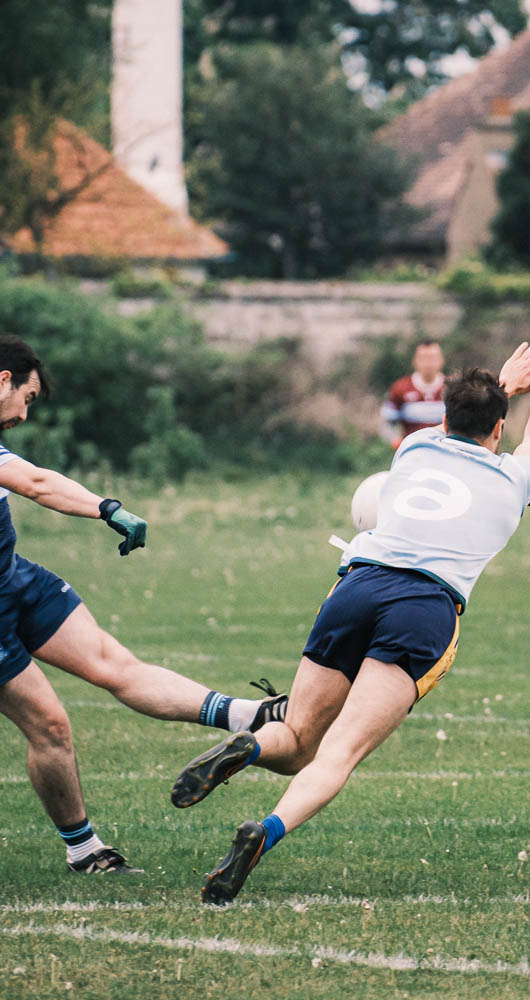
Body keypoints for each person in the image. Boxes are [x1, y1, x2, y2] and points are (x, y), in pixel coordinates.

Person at [171, 335, 530, 905]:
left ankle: (250, 746)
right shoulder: (513, 479)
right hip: (424, 607)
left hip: (357, 585)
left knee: (295, 740)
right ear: (498, 431)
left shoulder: (414, 449)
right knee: (338, 751)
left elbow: (464, 424)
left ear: (443, 416)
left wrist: (502, 387)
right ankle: (262, 833)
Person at [0, 335, 287, 873]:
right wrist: (107, 507)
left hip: (12, 578)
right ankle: (85, 851)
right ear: (3, 382)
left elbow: (31, 478)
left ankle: (249, 714)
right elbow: (35, 483)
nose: (25, 413)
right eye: (29, 398)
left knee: (114, 663)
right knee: (50, 726)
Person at [380, 340, 446, 448]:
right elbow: (386, 424)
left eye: (433, 358)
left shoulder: (453, 388)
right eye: (424, 358)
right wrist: (396, 442)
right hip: (412, 454)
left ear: (442, 360)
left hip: (446, 455)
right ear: (415, 361)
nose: (428, 363)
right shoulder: (400, 388)